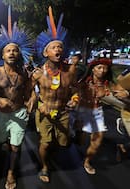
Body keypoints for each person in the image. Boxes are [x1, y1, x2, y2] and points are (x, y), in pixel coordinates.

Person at [0, 22, 33, 189]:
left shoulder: (24, 72)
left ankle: (11, 172)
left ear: (19, 53)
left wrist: (31, 102)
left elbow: (31, 91)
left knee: (15, 147)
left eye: (15, 50)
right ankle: (3, 153)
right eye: (8, 50)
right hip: (1, 114)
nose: (12, 52)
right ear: (2, 55)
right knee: (3, 142)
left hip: (19, 114)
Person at [32, 7, 79, 183]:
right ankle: (44, 166)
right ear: (46, 52)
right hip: (45, 112)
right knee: (45, 142)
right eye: (54, 47)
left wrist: (75, 100)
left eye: (60, 46)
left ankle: (54, 150)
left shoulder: (69, 72)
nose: (58, 49)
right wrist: (38, 104)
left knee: (63, 143)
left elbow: (75, 89)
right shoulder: (37, 73)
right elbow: (30, 92)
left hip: (63, 113)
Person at [76, 58, 128, 174]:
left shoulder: (109, 84)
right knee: (81, 139)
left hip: (97, 113)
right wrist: (74, 100)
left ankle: (87, 162)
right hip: (83, 112)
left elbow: (122, 93)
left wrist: (125, 94)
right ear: (93, 69)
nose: (103, 70)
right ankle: (79, 136)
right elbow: (74, 94)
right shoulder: (84, 82)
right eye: (99, 67)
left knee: (97, 141)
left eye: (105, 68)